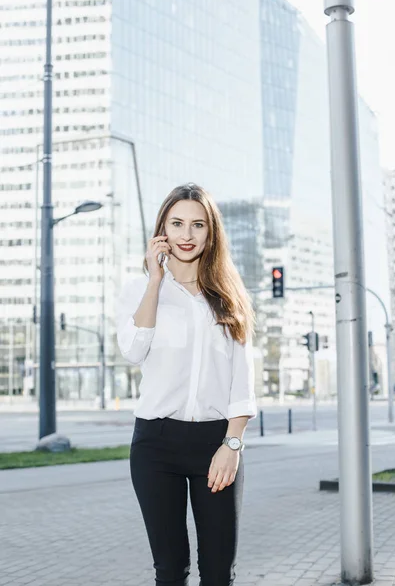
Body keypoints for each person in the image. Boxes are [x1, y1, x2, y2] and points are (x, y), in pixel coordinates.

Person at [116, 182, 258, 586]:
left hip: (216, 444)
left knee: (217, 571)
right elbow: (133, 349)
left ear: (211, 233)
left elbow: (242, 381)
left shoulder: (229, 297)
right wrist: (155, 281)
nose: (186, 234)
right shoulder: (139, 291)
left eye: (198, 225)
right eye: (177, 223)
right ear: (162, 228)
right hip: (155, 445)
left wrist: (232, 446)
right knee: (170, 569)